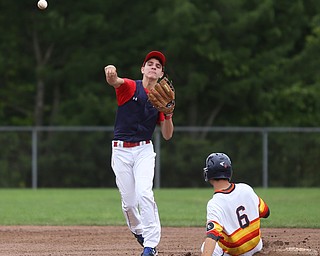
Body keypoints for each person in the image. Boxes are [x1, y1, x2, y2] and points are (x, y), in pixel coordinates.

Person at [104, 51, 174, 256]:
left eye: (158, 66)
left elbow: (167, 135)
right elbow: (114, 80)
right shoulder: (130, 87)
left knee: (145, 193)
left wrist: (168, 114)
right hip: (120, 151)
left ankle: (151, 245)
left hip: (144, 149)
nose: (154, 67)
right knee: (129, 203)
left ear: (161, 74)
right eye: (150, 64)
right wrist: (110, 71)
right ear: (142, 69)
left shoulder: (160, 99)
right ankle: (138, 230)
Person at [201, 153, 270, 256]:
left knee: (204, 247)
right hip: (256, 246)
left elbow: (212, 236)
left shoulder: (214, 203)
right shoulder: (246, 188)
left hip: (235, 252)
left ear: (209, 174)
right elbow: (266, 212)